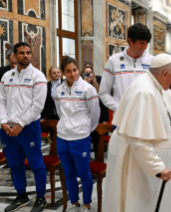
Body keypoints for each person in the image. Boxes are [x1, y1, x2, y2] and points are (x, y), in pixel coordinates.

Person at [102, 53, 171, 212]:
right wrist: (158, 167)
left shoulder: (152, 82)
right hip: (137, 161)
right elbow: (137, 139)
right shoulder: (144, 92)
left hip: (144, 159)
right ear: (165, 74)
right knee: (139, 203)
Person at [0, 42, 47, 212]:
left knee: (36, 164)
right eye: (21, 53)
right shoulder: (7, 77)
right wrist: (3, 122)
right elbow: (1, 101)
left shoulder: (38, 76)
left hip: (28, 128)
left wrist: (21, 124)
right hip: (7, 129)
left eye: (28, 52)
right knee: (15, 164)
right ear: (15, 55)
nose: (25, 55)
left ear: (31, 55)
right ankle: (21, 196)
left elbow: (37, 106)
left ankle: (41, 198)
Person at [55, 56, 100, 212]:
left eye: (74, 70)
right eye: (68, 71)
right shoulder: (58, 90)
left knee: (84, 173)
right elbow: (60, 112)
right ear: (63, 72)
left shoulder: (88, 89)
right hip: (62, 139)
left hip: (80, 138)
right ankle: (74, 204)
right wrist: (66, 126)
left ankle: (86, 204)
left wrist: (85, 129)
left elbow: (95, 114)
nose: (73, 74)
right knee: (69, 174)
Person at [99, 23, 153, 112]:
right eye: (141, 43)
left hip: (145, 118)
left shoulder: (152, 61)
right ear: (130, 40)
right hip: (121, 120)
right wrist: (119, 108)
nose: (145, 47)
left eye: (146, 43)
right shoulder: (114, 61)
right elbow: (103, 93)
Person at [80, 64, 109, 157]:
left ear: (93, 74)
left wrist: (105, 119)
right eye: (86, 73)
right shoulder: (79, 87)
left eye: (90, 73)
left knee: (98, 143)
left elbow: (104, 104)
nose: (88, 75)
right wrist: (83, 84)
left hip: (98, 120)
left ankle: (98, 162)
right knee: (84, 145)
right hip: (84, 120)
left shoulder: (99, 86)